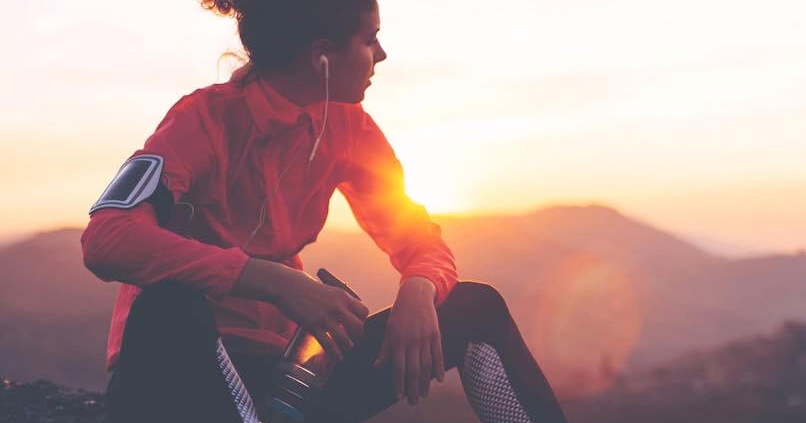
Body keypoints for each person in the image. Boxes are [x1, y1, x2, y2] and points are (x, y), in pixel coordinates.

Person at [79, 0, 568, 421]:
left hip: (290, 381)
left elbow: (416, 234)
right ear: (323, 56)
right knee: (169, 304)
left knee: (476, 307)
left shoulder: (348, 128)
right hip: (180, 375)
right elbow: (107, 238)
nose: (381, 54)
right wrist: (274, 281)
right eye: (370, 39)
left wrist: (420, 288)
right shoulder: (202, 121)